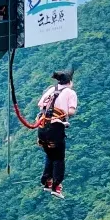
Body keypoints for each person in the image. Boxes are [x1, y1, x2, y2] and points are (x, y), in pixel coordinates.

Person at [37, 69, 78, 198]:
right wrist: (64, 114)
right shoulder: (70, 93)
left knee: (50, 154)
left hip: (42, 128)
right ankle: (56, 186)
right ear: (69, 82)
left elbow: (40, 105)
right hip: (55, 129)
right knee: (59, 157)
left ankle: (47, 181)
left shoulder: (51, 90)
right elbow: (71, 111)